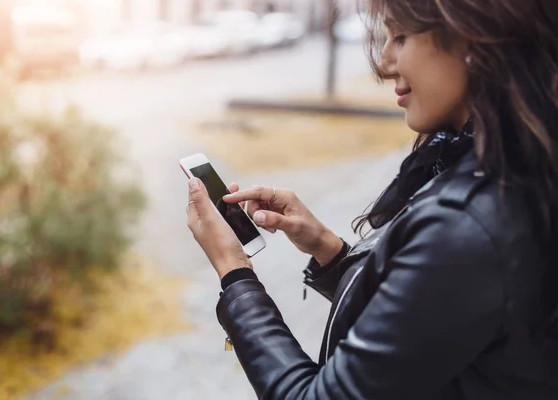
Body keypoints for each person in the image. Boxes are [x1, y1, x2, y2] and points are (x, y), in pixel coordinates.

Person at [185, 0, 558, 398]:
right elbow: (422, 330)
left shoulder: (470, 225)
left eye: (400, 36)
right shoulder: (506, 169)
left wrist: (234, 273)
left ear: (475, 36)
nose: (384, 63)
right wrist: (330, 251)